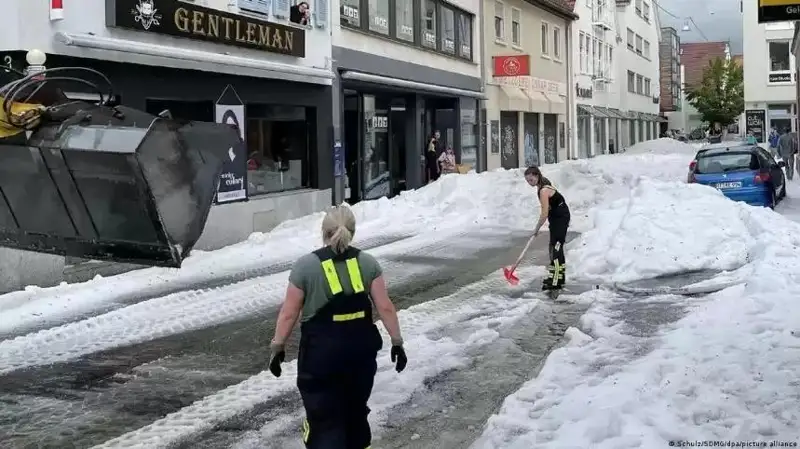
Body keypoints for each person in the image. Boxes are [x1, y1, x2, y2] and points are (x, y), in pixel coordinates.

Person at [268, 205, 407, 449]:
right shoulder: (368, 263)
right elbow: (385, 307)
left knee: (324, 417)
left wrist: (278, 346)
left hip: (320, 356)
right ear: (352, 232)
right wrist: (397, 342)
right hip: (360, 354)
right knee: (355, 412)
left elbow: (289, 313)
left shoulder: (305, 266)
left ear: (324, 231)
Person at [524, 166, 571, 291]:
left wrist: (537, 228)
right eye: (527, 180)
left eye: (531, 180)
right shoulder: (542, 186)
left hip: (561, 218)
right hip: (555, 218)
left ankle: (557, 281)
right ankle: (556, 277)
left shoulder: (544, 190)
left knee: (556, 248)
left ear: (537, 176)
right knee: (553, 247)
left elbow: (544, 213)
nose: (529, 183)